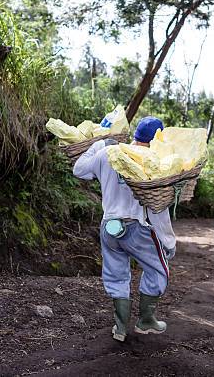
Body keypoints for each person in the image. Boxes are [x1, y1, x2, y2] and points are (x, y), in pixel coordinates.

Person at [73, 116, 176, 342]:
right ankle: (146, 321)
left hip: (108, 228)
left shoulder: (107, 153)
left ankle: (120, 327)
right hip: (136, 228)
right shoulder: (156, 163)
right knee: (159, 270)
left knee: (116, 274)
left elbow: (79, 170)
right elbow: (158, 209)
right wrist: (168, 242)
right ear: (158, 140)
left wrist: (99, 144)